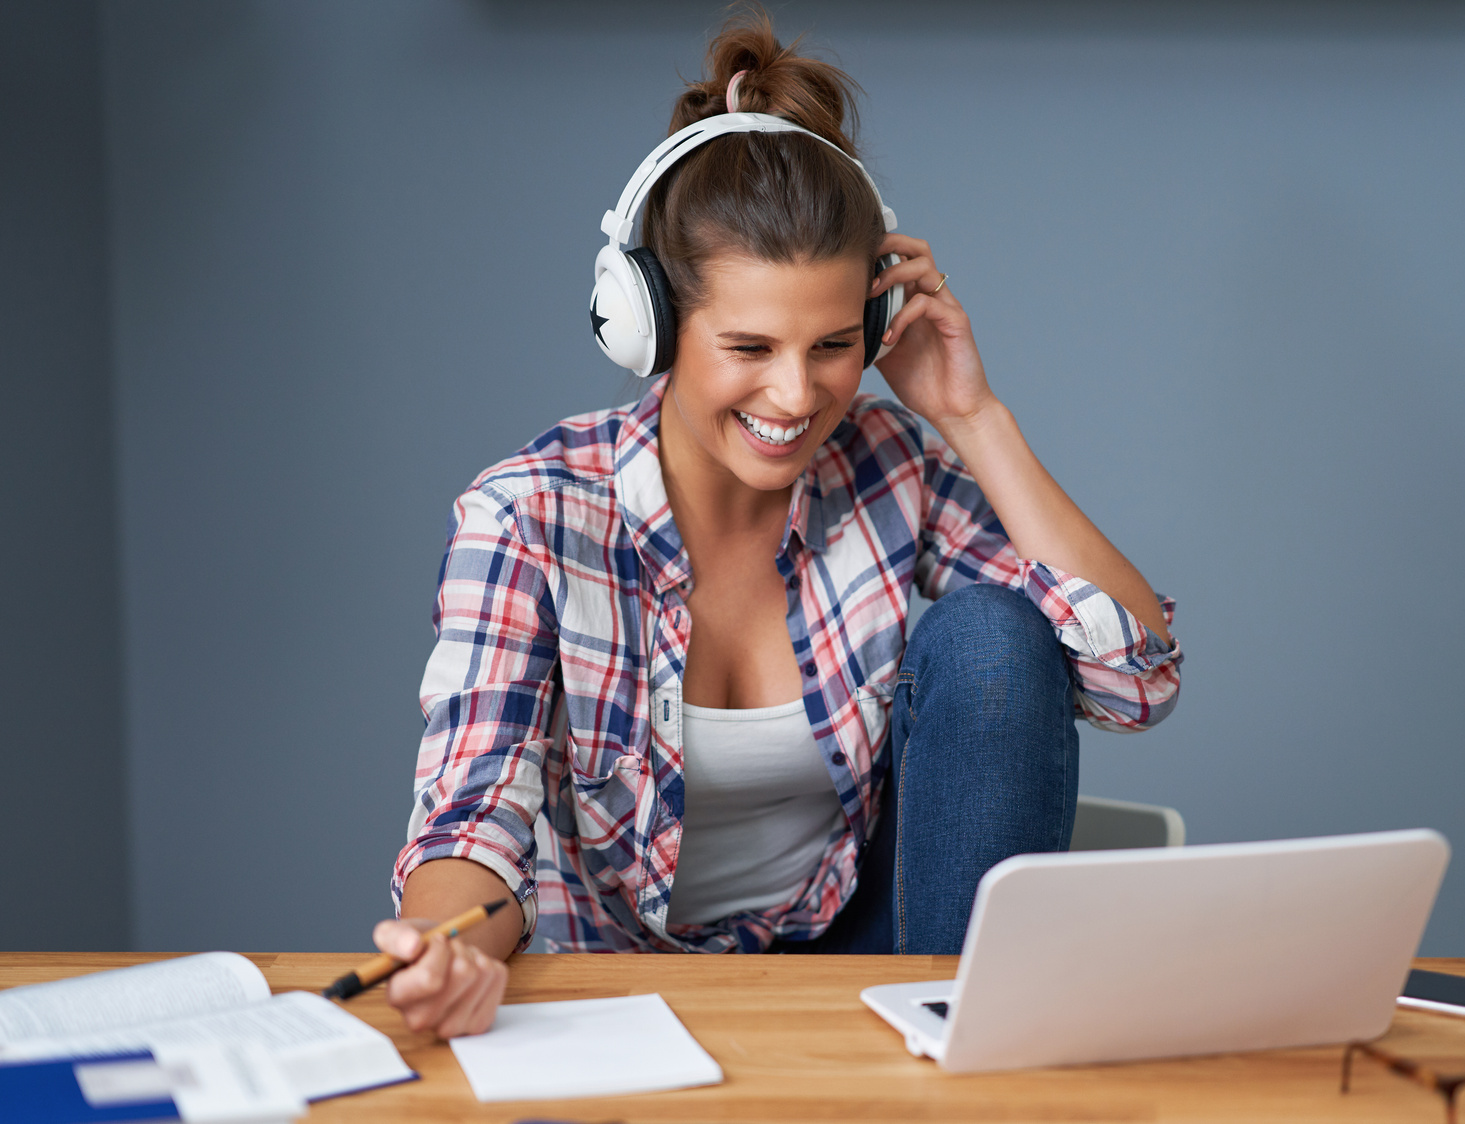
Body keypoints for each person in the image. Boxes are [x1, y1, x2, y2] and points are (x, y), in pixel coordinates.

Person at [376, 9, 1183, 1039]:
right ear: (648, 326)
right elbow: (474, 813)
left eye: (834, 345)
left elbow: (1137, 678)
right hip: (623, 994)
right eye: (750, 344)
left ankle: (967, 1054)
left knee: (993, 632)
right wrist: (448, 947)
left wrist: (971, 418)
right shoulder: (530, 514)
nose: (797, 395)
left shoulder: (891, 467)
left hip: (866, 961)